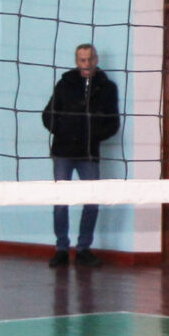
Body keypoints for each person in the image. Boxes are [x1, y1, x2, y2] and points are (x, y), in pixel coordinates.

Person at [41, 43, 120, 267]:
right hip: (63, 152)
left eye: (90, 59)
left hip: (88, 153)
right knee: (61, 202)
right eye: (82, 60)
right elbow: (48, 115)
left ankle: (84, 249)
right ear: (77, 62)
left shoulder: (107, 87)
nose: (86, 64)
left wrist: (92, 136)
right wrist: (64, 131)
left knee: (92, 201)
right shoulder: (65, 84)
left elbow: (113, 123)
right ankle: (61, 249)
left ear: (96, 60)